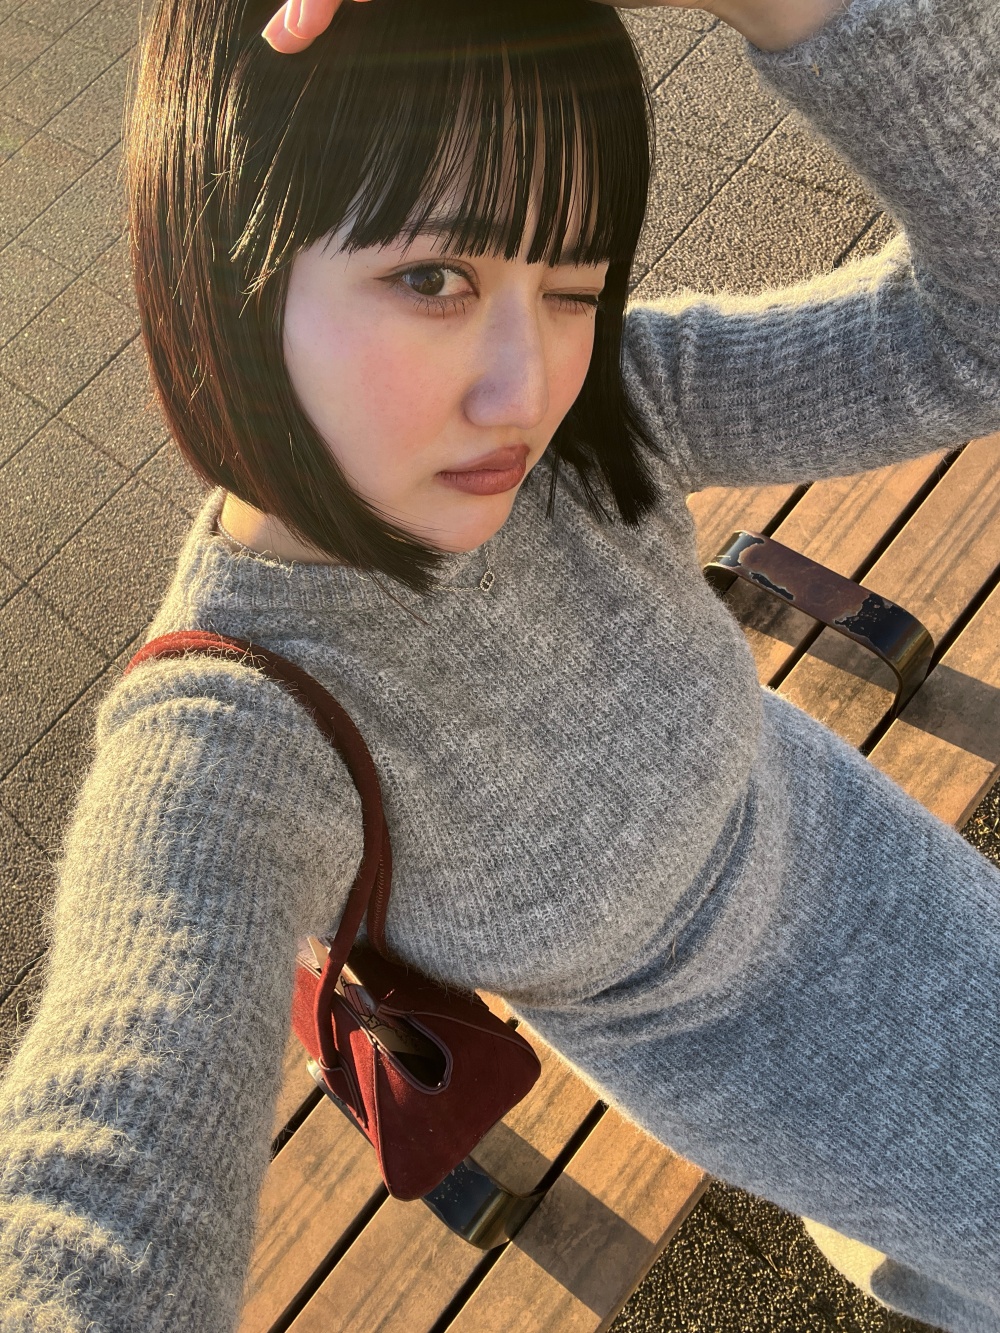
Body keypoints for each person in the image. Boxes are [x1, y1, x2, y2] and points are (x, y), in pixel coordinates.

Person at [0, 0, 998, 1329]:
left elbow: (975, 335)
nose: (525, 389)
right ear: (222, 261)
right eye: (434, 279)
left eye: (573, 286)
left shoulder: (603, 418)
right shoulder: (235, 731)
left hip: (905, 881)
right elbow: (102, 1182)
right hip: (786, 1095)